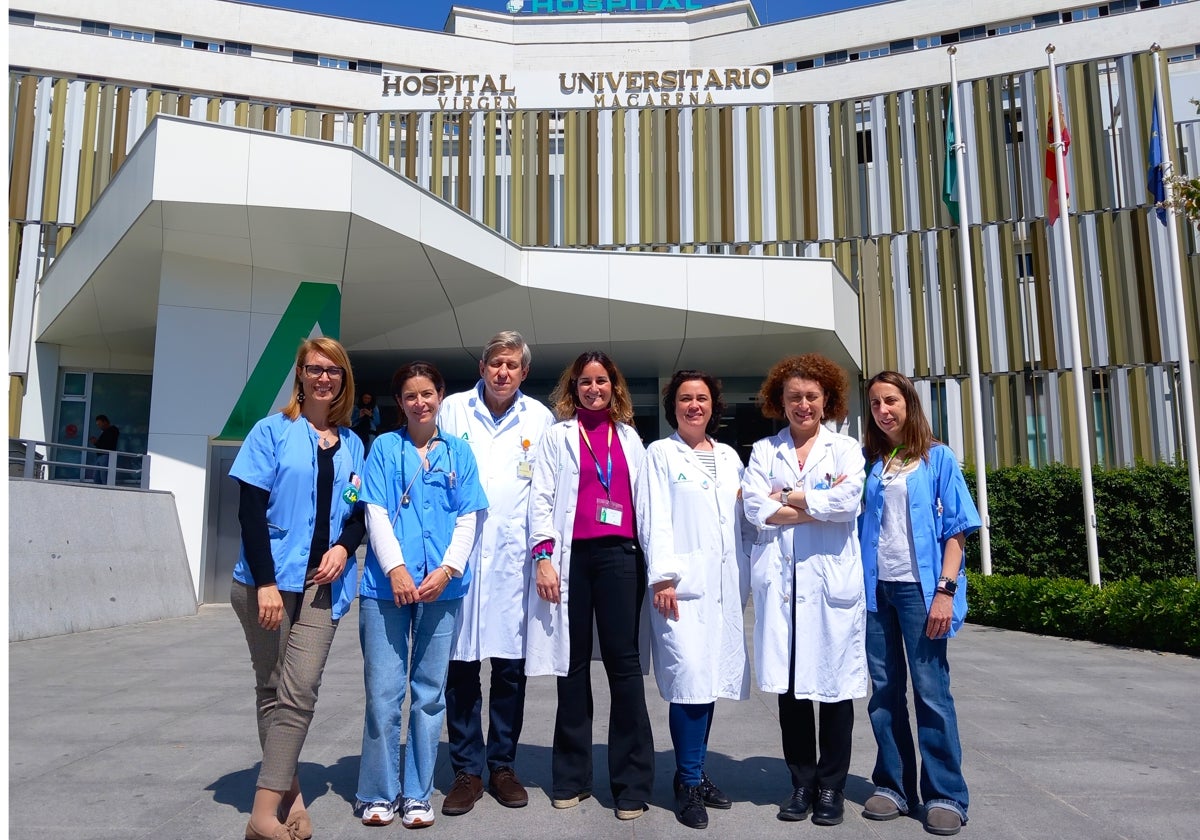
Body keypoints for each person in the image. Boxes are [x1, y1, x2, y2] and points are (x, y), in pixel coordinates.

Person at [229, 336, 365, 840]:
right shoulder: (271, 432)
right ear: (301, 376)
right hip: (266, 583)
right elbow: (248, 513)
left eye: (333, 370)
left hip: (321, 585)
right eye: (314, 368)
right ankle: (288, 797)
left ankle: (262, 812)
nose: (324, 377)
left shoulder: (353, 444)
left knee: (299, 688)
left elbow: (356, 515)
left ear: (343, 380)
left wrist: (344, 548)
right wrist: (265, 582)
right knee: (272, 689)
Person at [355, 361, 489, 829]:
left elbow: (469, 516)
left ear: (440, 396)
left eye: (427, 393)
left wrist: (448, 569)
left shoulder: (459, 453)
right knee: (383, 694)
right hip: (385, 588)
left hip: (442, 589)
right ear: (400, 402)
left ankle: (415, 793)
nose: (420, 402)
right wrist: (394, 569)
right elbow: (373, 510)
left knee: (430, 694)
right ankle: (377, 791)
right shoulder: (383, 449)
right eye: (410, 395)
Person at [526, 350, 654, 820]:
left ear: (614, 387)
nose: (593, 388)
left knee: (624, 670)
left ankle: (632, 782)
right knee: (572, 666)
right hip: (570, 560)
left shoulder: (630, 439)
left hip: (620, 559)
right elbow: (540, 499)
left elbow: (645, 505)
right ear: (573, 387)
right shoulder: (557, 436)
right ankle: (571, 777)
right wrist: (543, 559)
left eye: (602, 381)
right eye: (585, 381)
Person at [741, 353, 866, 827]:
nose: (803, 404)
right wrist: (819, 506)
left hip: (828, 584)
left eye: (812, 396)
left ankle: (831, 788)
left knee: (833, 691)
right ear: (781, 400)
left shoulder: (845, 449)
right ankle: (801, 783)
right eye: (794, 396)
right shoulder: (763, 451)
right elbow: (755, 508)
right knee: (791, 693)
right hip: (783, 586)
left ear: (827, 400)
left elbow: (848, 500)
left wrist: (789, 497)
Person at [858, 371, 981, 837]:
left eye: (890, 401)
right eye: (874, 404)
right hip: (877, 592)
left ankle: (945, 793)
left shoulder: (937, 457)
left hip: (920, 591)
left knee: (931, 691)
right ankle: (893, 785)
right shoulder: (876, 461)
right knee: (884, 693)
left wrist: (945, 592)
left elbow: (957, 529)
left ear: (908, 403)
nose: (883, 411)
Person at [437, 331, 554, 815]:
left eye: (512, 365)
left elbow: (546, 494)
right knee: (460, 669)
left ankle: (503, 765)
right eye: (495, 363)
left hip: (512, 566)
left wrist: (545, 554)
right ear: (482, 367)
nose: (503, 372)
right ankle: (466, 770)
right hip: (459, 557)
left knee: (509, 671)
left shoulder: (541, 419)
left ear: (524, 372)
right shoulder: (452, 411)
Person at [635, 370, 752, 830]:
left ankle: (697, 772)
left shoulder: (728, 457)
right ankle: (685, 781)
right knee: (688, 681)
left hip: (723, 587)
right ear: (673, 407)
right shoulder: (659, 453)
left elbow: (744, 518)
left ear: (713, 406)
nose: (694, 406)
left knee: (709, 681)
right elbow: (653, 517)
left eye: (702, 398)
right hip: (679, 588)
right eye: (685, 398)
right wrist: (662, 577)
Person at [89, 414, 120, 484]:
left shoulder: (112, 430)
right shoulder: (106, 432)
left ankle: (106, 492)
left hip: (106, 455)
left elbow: (107, 445)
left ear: (105, 422)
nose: (99, 426)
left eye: (99, 424)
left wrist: (96, 442)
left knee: (104, 477)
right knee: (96, 477)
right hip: (100, 455)